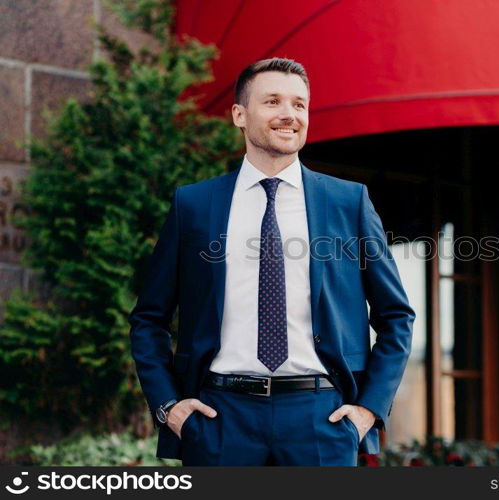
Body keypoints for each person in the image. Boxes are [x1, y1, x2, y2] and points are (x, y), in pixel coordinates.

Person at [129, 57, 415, 466]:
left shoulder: (347, 202)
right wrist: (169, 406)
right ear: (239, 115)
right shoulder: (194, 204)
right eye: (273, 102)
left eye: (300, 104)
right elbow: (149, 318)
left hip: (322, 419)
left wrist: (368, 410)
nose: (289, 115)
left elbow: (396, 315)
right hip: (219, 419)